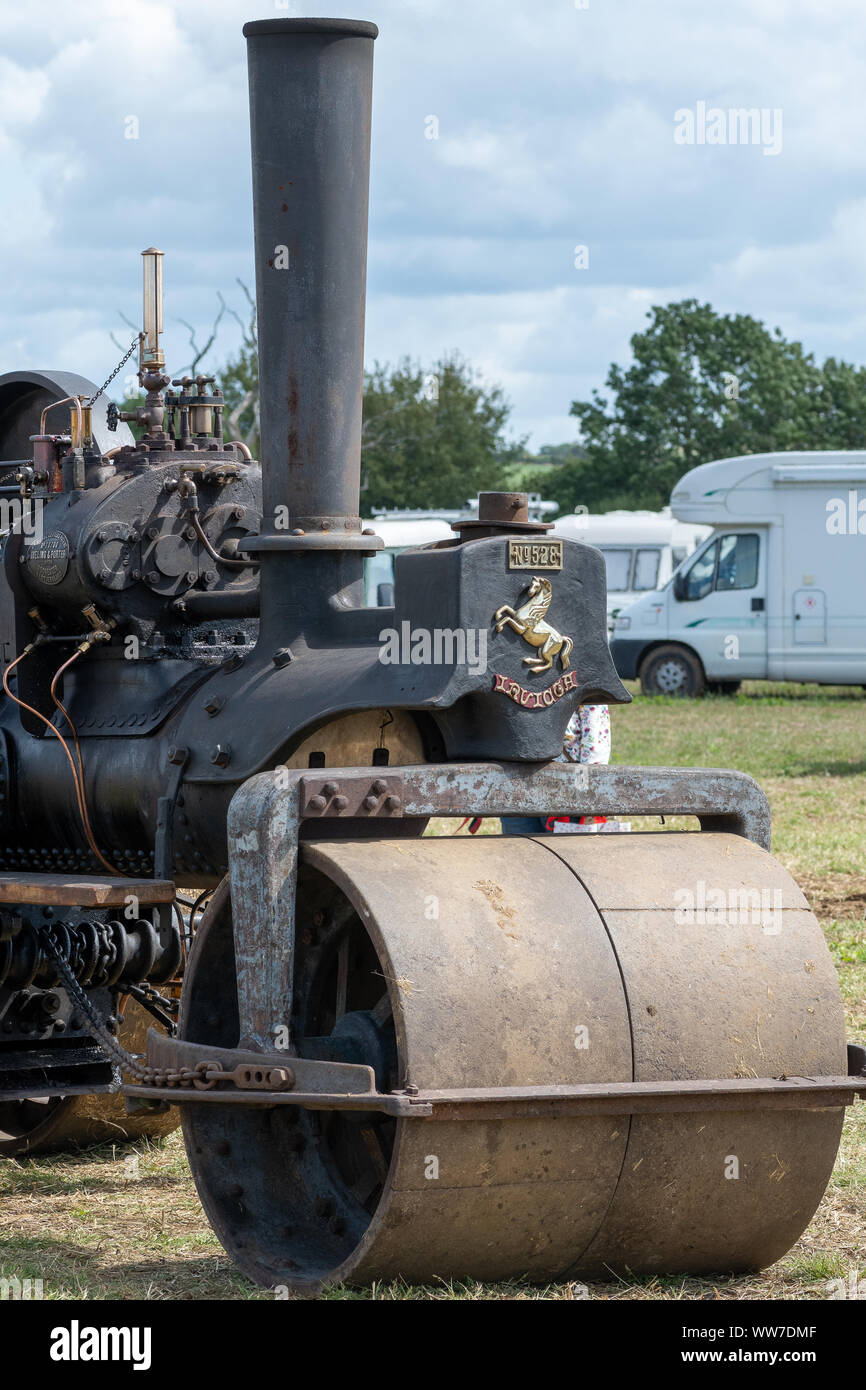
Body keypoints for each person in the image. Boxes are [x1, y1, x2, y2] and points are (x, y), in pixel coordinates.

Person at [500, 704, 610, 835]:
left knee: (567, 852)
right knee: (518, 851)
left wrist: (584, 790)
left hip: (566, 784)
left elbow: (595, 738)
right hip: (516, 780)